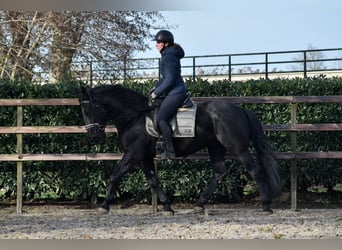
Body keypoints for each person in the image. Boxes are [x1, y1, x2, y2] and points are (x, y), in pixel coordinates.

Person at [149, 30, 187, 159]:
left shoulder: (169, 57)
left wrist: (156, 93)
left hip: (176, 92)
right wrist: (155, 88)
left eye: (158, 42)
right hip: (172, 92)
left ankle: (170, 151)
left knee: (161, 119)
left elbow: (170, 80)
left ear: (166, 44)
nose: (156, 45)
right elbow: (165, 78)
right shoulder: (168, 55)